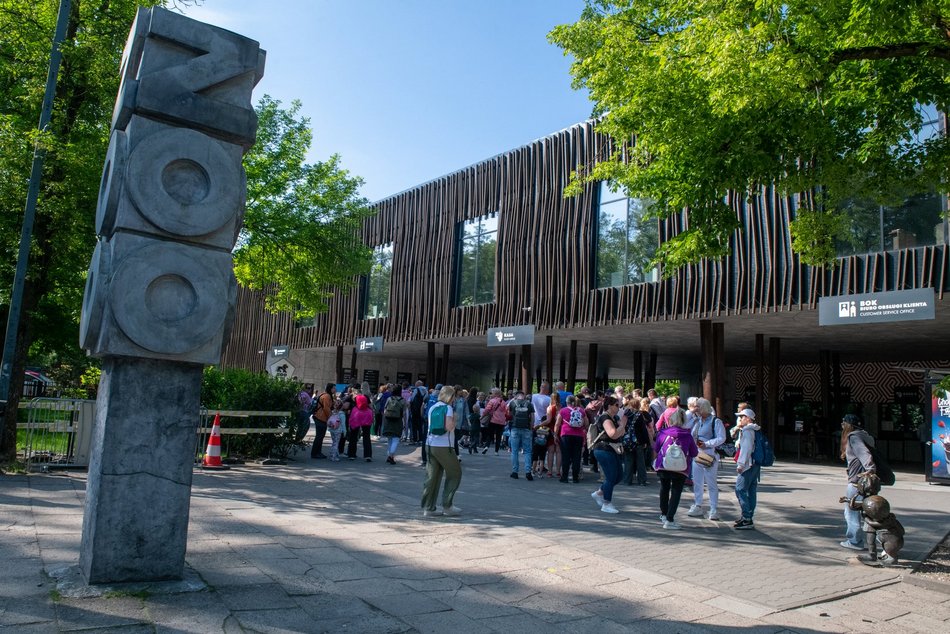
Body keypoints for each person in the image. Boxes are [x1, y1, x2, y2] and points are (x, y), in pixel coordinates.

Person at [420, 385, 462, 517]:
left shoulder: (433, 407)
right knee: (455, 473)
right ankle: (447, 505)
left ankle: (428, 507)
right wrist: (455, 418)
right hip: (444, 446)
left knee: (433, 476)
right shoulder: (448, 408)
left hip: (430, 444)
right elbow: (449, 427)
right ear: (450, 396)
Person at [653, 408, 699, 529]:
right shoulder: (687, 435)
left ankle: (663, 514)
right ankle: (670, 519)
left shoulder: (663, 432)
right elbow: (694, 453)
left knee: (664, 488)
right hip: (681, 468)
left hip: (664, 465)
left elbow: (656, 448)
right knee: (676, 491)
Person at [840, 413, 878, 550]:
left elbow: (864, 455)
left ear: (848, 425)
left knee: (851, 511)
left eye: (843, 423)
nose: (842, 426)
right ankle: (881, 542)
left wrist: (869, 469)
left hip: (858, 481)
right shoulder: (866, 435)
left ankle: (854, 541)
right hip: (869, 483)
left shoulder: (853, 437)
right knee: (871, 512)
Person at [687, 398, 726, 520]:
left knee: (711, 483)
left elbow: (721, 438)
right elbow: (684, 425)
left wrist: (707, 443)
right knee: (697, 482)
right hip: (696, 453)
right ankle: (698, 505)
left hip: (709, 454)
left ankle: (713, 508)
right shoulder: (696, 420)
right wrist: (691, 412)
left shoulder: (716, 421)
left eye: (697, 407)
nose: (695, 409)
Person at [589, 395, 626, 513]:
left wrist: (621, 428)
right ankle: (606, 503)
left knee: (619, 476)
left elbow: (620, 433)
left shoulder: (613, 418)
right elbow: (613, 434)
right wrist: (622, 426)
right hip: (604, 449)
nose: (619, 407)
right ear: (609, 406)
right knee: (610, 477)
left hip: (612, 449)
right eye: (616, 405)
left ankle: (599, 493)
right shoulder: (605, 418)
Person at [733, 408, 761, 530]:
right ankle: (748, 516)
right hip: (754, 464)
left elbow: (746, 449)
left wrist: (740, 465)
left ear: (748, 418)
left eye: (742, 417)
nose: (740, 419)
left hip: (747, 465)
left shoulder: (747, 431)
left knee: (740, 489)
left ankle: (747, 518)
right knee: (751, 490)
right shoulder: (754, 430)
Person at [556, 395, 586, 483]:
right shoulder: (581, 410)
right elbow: (586, 423)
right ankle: (575, 478)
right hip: (579, 436)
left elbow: (557, 424)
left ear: (567, 402)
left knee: (566, 456)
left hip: (566, 435)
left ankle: (564, 477)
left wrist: (555, 434)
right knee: (576, 456)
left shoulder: (563, 410)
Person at [508, 390, 534, 480]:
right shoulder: (529, 404)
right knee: (527, 451)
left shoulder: (512, 403)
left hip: (515, 428)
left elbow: (509, 415)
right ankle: (528, 472)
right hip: (526, 429)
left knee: (514, 451)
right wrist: (530, 428)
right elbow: (532, 417)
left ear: (516, 396)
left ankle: (515, 472)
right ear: (524, 396)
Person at [381, 384, 406, 464]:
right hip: (398, 421)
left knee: (390, 439)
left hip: (388, 420)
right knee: (396, 439)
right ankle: (391, 455)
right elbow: (404, 413)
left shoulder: (389, 399)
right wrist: (405, 423)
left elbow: (385, 410)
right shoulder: (403, 400)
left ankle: (389, 455)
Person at [310, 383, 335, 459]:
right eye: (334, 388)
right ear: (330, 388)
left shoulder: (325, 395)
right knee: (319, 436)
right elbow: (326, 408)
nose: (335, 390)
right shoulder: (327, 396)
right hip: (320, 417)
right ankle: (315, 453)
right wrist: (331, 418)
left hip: (320, 417)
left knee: (320, 436)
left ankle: (317, 452)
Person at [346, 394, 374, 461]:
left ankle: (351, 454)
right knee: (366, 437)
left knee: (353, 436)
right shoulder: (366, 396)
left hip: (356, 415)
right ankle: (368, 455)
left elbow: (347, 406)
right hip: (367, 415)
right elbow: (371, 406)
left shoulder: (354, 397)